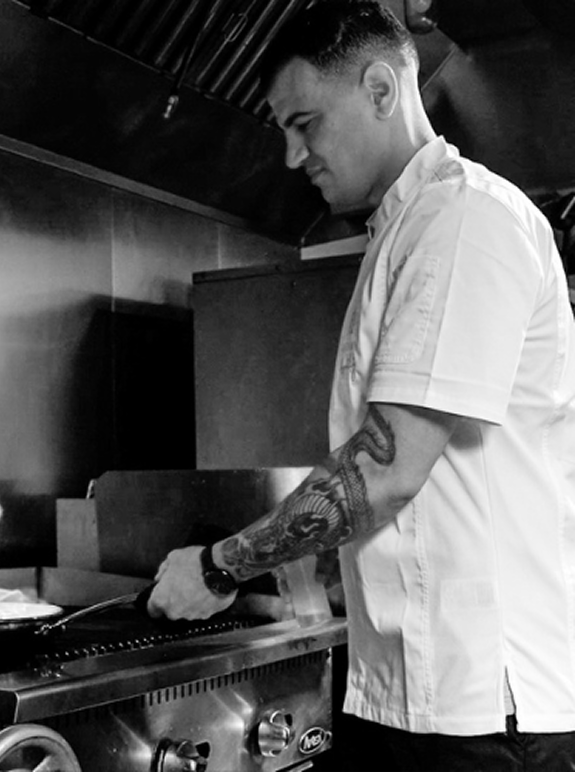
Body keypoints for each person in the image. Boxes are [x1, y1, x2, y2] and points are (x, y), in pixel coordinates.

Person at [145, 1, 575, 770]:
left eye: (304, 122)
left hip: (481, 705)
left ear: (382, 89)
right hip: (417, 694)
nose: (289, 154)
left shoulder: (463, 219)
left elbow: (385, 468)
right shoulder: (400, 234)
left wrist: (219, 567)